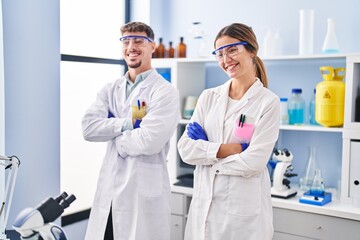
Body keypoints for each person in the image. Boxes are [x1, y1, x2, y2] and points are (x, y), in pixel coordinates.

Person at [177, 23, 280, 240]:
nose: (226, 60)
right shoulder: (208, 97)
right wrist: (231, 149)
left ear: (251, 50)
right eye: (219, 54)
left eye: (232, 50)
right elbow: (186, 150)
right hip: (203, 210)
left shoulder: (268, 102)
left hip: (242, 218)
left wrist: (207, 155)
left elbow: (254, 162)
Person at [82, 22, 180, 240]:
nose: (131, 46)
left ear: (152, 47)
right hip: (108, 195)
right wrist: (128, 124)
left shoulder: (165, 92)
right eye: (126, 41)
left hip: (142, 195)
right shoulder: (110, 89)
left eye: (138, 41)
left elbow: (148, 142)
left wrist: (112, 133)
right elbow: (88, 128)